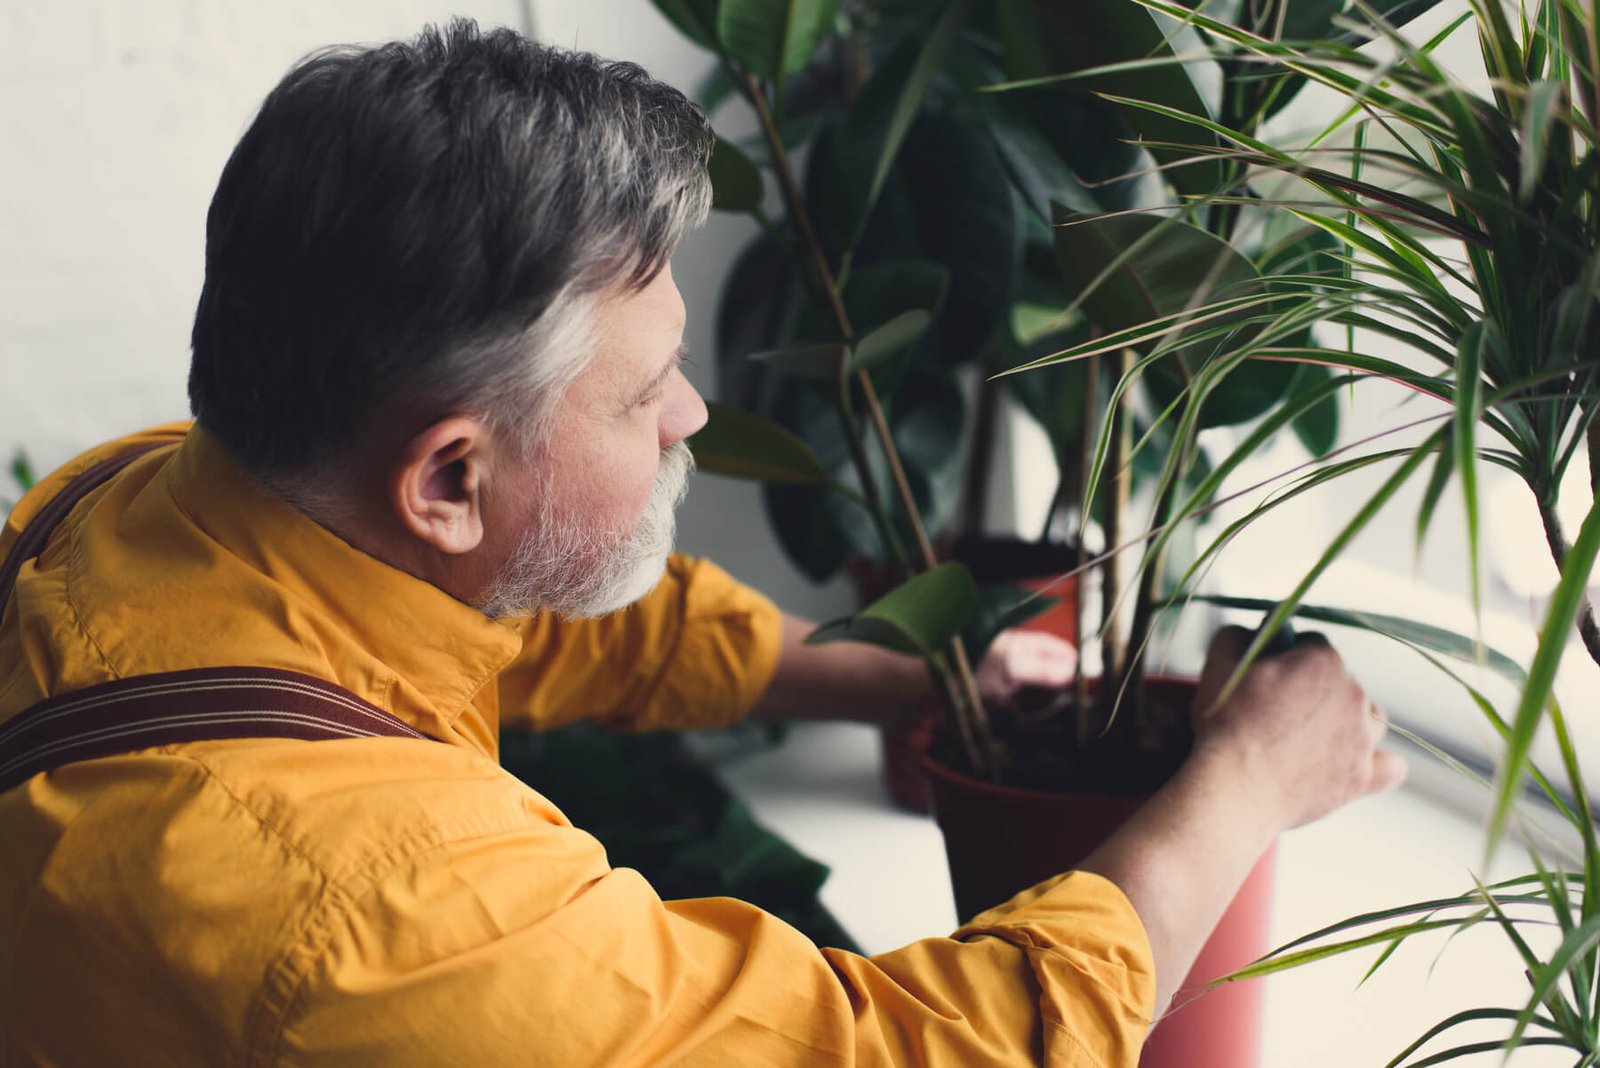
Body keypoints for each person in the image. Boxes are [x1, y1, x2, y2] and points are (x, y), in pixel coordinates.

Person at [0, 20, 1405, 1066]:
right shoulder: (389, 916)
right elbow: (916, 1052)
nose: (694, 412)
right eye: (639, 395)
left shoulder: (139, 501)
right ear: (449, 476)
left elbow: (525, 616)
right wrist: (1246, 783)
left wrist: (888, 679)